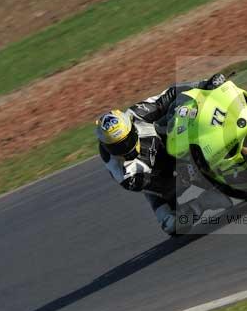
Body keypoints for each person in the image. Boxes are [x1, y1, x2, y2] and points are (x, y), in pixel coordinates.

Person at [95, 74, 232, 235]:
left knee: (180, 107)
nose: (125, 148)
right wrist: (183, 176)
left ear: (131, 127)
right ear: (107, 146)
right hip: (161, 177)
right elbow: (163, 189)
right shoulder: (125, 173)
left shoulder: (136, 114)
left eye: (126, 140)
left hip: (171, 139)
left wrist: (205, 84)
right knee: (174, 226)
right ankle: (202, 204)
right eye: (117, 147)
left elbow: (169, 94)